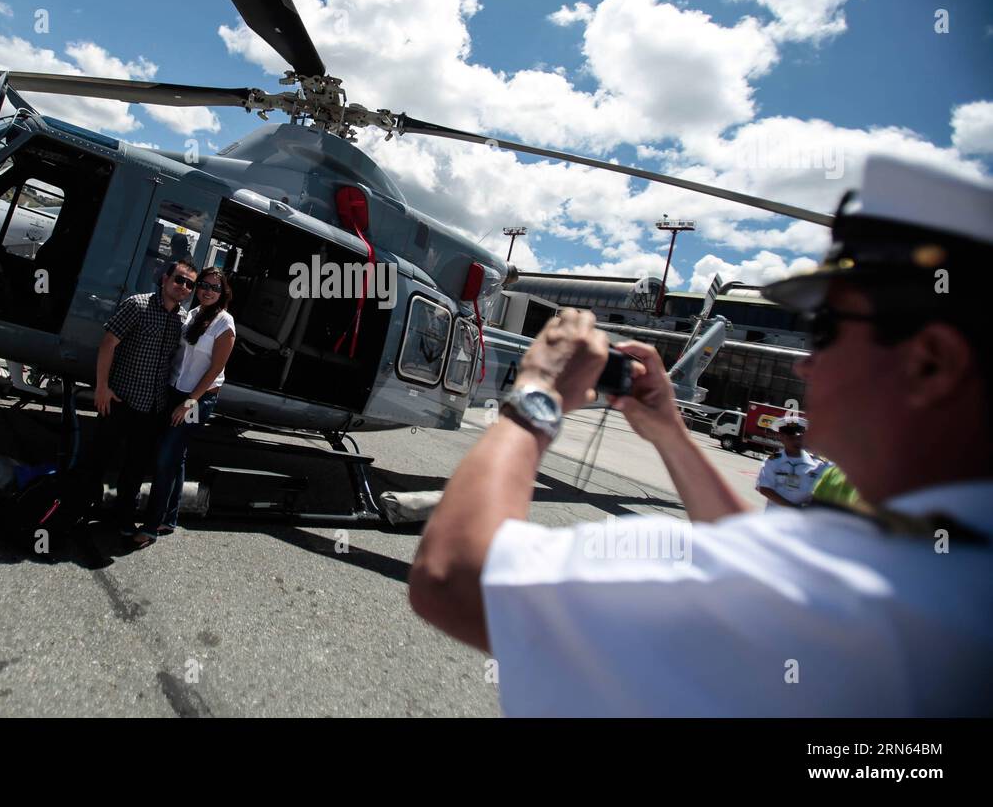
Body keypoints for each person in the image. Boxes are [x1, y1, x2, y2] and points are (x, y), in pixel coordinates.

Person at [409, 154, 993, 716]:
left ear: (929, 364)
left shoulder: (855, 590)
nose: (806, 362)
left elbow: (455, 579)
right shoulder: (946, 574)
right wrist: (669, 433)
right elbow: (754, 561)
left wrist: (538, 393)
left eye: (828, 328)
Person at [91, 257, 196, 533]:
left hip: (152, 408)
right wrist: (102, 387)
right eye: (179, 279)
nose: (183, 287)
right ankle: (75, 509)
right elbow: (108, 344)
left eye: (189, 284)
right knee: (97, 460)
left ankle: (123, 520)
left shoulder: (183, 321)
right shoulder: (137, 305)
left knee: (135, 469)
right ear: (165, 279)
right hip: (120, 400)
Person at [134, 267, 235, 545]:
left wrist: (190, 402)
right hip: (175, 391)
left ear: (223, 292)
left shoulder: (224, 324)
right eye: (203, 284)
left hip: (198, 399)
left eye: (214, 287)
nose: (207, 290)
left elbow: (216, 368)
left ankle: (151, 526)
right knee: (175, 456)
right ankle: (169, 517)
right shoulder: (191, 315)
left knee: (165, 458)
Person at [755, 415, 828, 509]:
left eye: (799, 438)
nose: (796, 441)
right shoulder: (772, 461)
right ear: (781, 437)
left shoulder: (818, 465)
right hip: (774, 518)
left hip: (803, 519)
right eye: (791, 438)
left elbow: (823, 494)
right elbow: (764, 488)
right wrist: (792, 508)